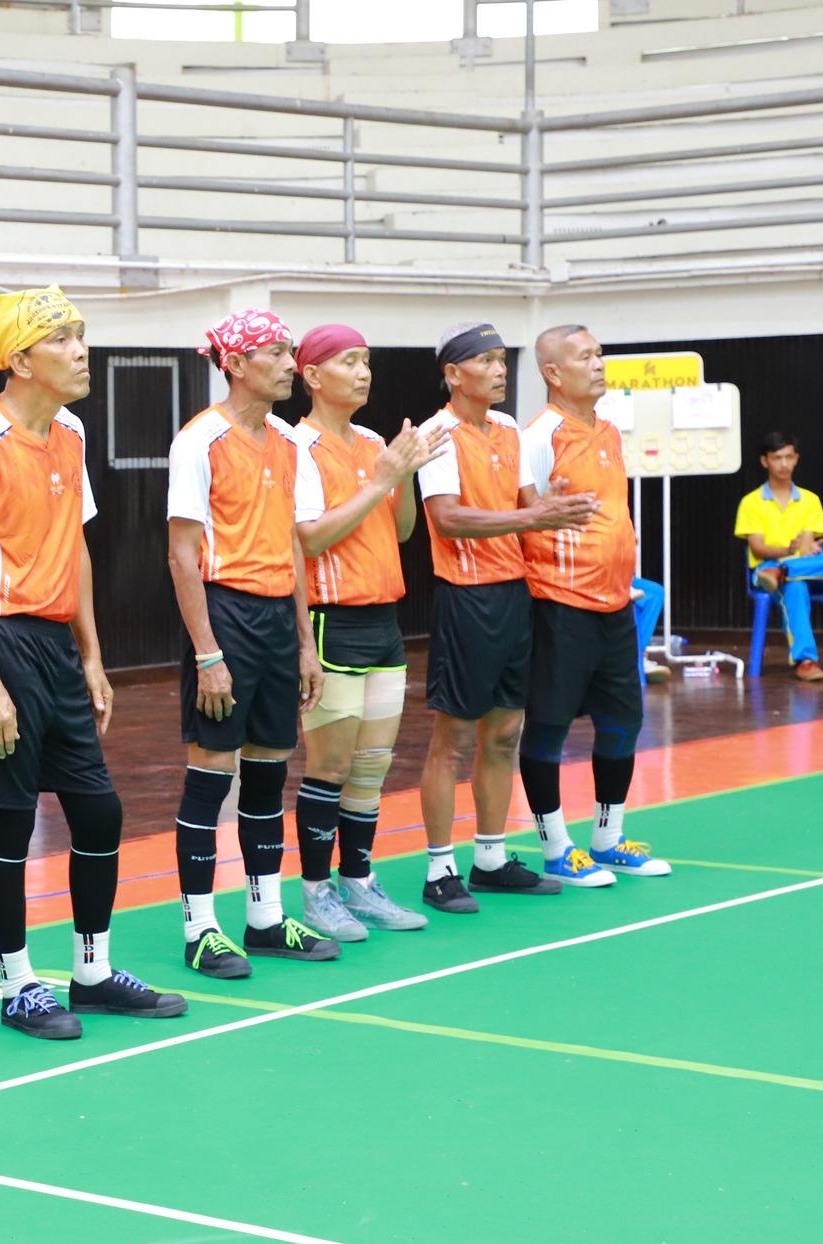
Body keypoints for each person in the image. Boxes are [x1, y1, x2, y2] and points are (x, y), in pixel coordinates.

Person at [0, 286, 187, 1039]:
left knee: (99, 809)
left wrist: (93, 655)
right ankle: (17, 985)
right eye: (62, 339)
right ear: (19, 361)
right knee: (11, 820)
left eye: (81, 334)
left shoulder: (71, 430)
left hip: (55, 645)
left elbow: (73, 545)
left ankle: (92, 972)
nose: (81, 350)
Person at [166, 307, 333, 980]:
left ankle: (264, 918)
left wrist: (305, 644)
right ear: (235, 364)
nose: (292, 364)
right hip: (224, 614)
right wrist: (208, 653)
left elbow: (293, 545)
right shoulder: (199, 440)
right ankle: (199, 929)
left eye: (291, 351)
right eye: (277, 352)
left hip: (276, 620)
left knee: (268, 775)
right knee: (211, 776)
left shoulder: (290, 441)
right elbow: (182, 554)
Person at [412, 322, 597, 914]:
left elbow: (525, 507)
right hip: (466, 599)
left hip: (514, 594)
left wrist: (553, 505)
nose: (499, 371)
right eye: (486, 361)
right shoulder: (437, 434)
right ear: (453, 373)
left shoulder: (510, 428)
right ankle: (440, 870)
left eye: (501, 360)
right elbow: (448, 519)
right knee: (454, 740)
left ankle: (490, 859)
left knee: (504, 734)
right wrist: (533, 519)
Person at [287, 323, 449, 941]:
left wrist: (402, 472)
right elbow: (310, 539)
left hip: (384, 621)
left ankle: (359, 880)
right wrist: (381, 478)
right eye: (349, 361)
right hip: (332, 620)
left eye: (366, 362)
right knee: (329, 765)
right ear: (312, 376)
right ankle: (316, 892)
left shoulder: (374, 442)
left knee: (373, 766)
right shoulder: (298, 446)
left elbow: (401, 530)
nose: (363, 373)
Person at [516, 325, 673, 887]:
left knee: (622, 723)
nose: (600, 364)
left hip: (615, 604)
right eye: (586, 357)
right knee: (548, 728)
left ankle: (607, 839)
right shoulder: (540, 436)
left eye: (600, 354)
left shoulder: (606, 431)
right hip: (559, 604)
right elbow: (524, 516)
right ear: (553, 373)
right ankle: (556, 848)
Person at [735, 433, 823, 682]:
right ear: (764, 461)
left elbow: (808, 545)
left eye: (788, 457)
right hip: (765, 570)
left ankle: (785, 572)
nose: (784, 464)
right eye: (777, 458)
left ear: (796, 459)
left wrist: (799, 554)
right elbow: (758, 549)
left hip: (809, 569)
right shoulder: (751, 502)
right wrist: (790, 550)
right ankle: (806, 661)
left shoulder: (810, 500)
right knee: (795, 586)